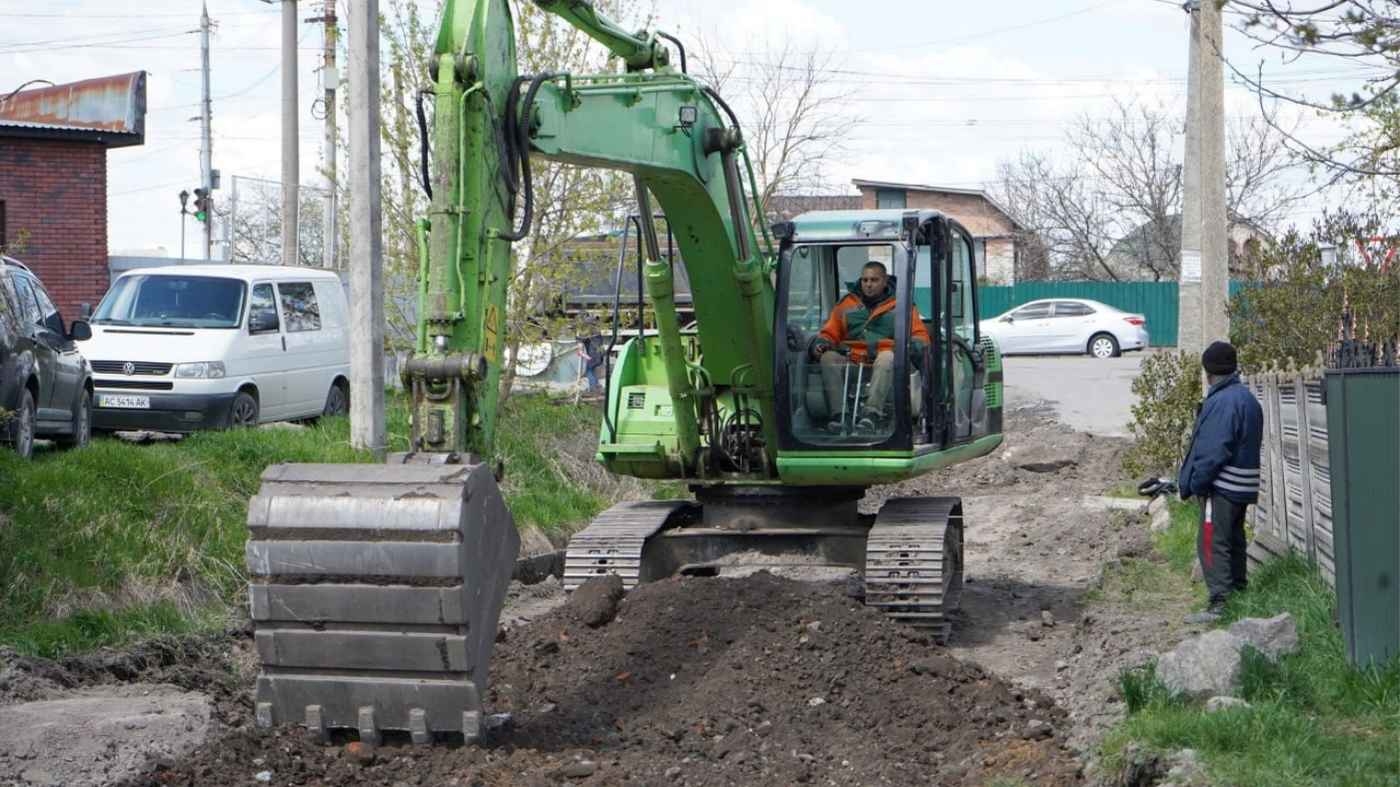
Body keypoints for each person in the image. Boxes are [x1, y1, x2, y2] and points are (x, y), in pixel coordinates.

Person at [1177, 340, 1264, 624]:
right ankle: (1238, 594)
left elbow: (1213, 450)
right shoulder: (1246, 398)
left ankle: (1220, 603)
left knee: (1212, 541)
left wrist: (1197, 484)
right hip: (1244, 484)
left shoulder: (1221, 402)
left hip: (1223, 485)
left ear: (1209, 371)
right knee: (1235, 540)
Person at [811, 261, 930, 431]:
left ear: (884, 281)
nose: (868, 284)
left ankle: (871, 415)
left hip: (887, 360)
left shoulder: (902, 305)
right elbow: (829, 333)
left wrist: (910, 347)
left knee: (887, 357)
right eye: (865, 280)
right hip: (853, 360)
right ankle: (840, 415)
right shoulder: (847, 304)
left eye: (874, 280)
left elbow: (920, 336)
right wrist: (822, 343)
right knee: (828, 358)